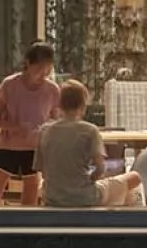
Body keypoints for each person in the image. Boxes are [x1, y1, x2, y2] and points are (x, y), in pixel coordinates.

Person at [36, 81, 139, 209]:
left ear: (59, 104)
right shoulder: (90, 130)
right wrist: (89, 179)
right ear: (83, 106)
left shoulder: (44, 131)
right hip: (84, 196)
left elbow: (42, 171)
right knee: (134, 177)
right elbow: (100, 169)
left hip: (52, 197)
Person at [0, 41, 58, 208]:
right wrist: (15, 127)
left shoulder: (52, 90)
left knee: (30, 203)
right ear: (28, 64)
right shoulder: (10, 84)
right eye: (39, 69)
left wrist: (44, 131)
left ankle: (26, 233)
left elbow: (57, 121)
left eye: (48, 69)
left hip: (35, 150)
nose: (43, 74)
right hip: (8, 147)